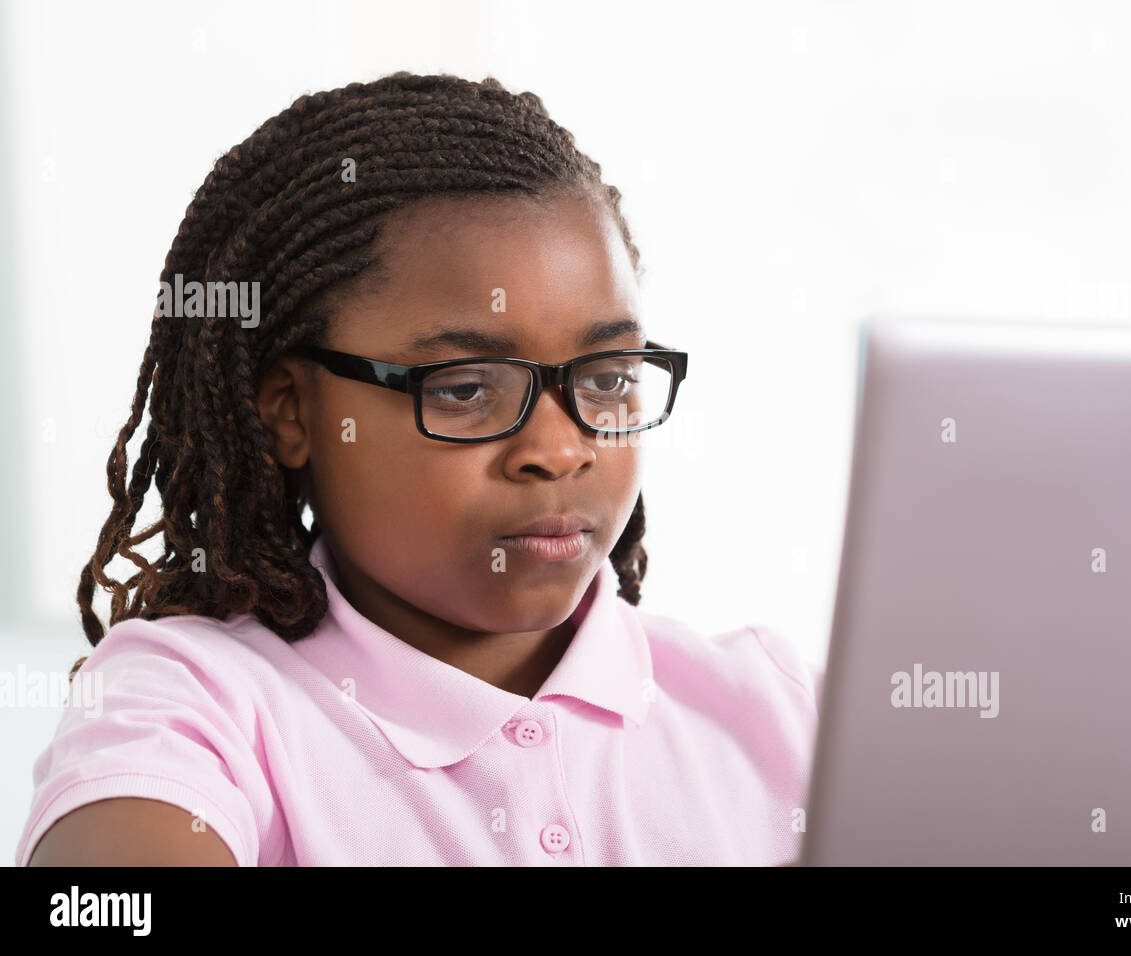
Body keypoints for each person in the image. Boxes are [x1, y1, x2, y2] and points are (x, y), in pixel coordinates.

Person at [17, 72, 822, 866]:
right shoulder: (193, 711)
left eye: (607, 379)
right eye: (467, 389)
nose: (560, 448)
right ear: (293, 411)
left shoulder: (785, 709)